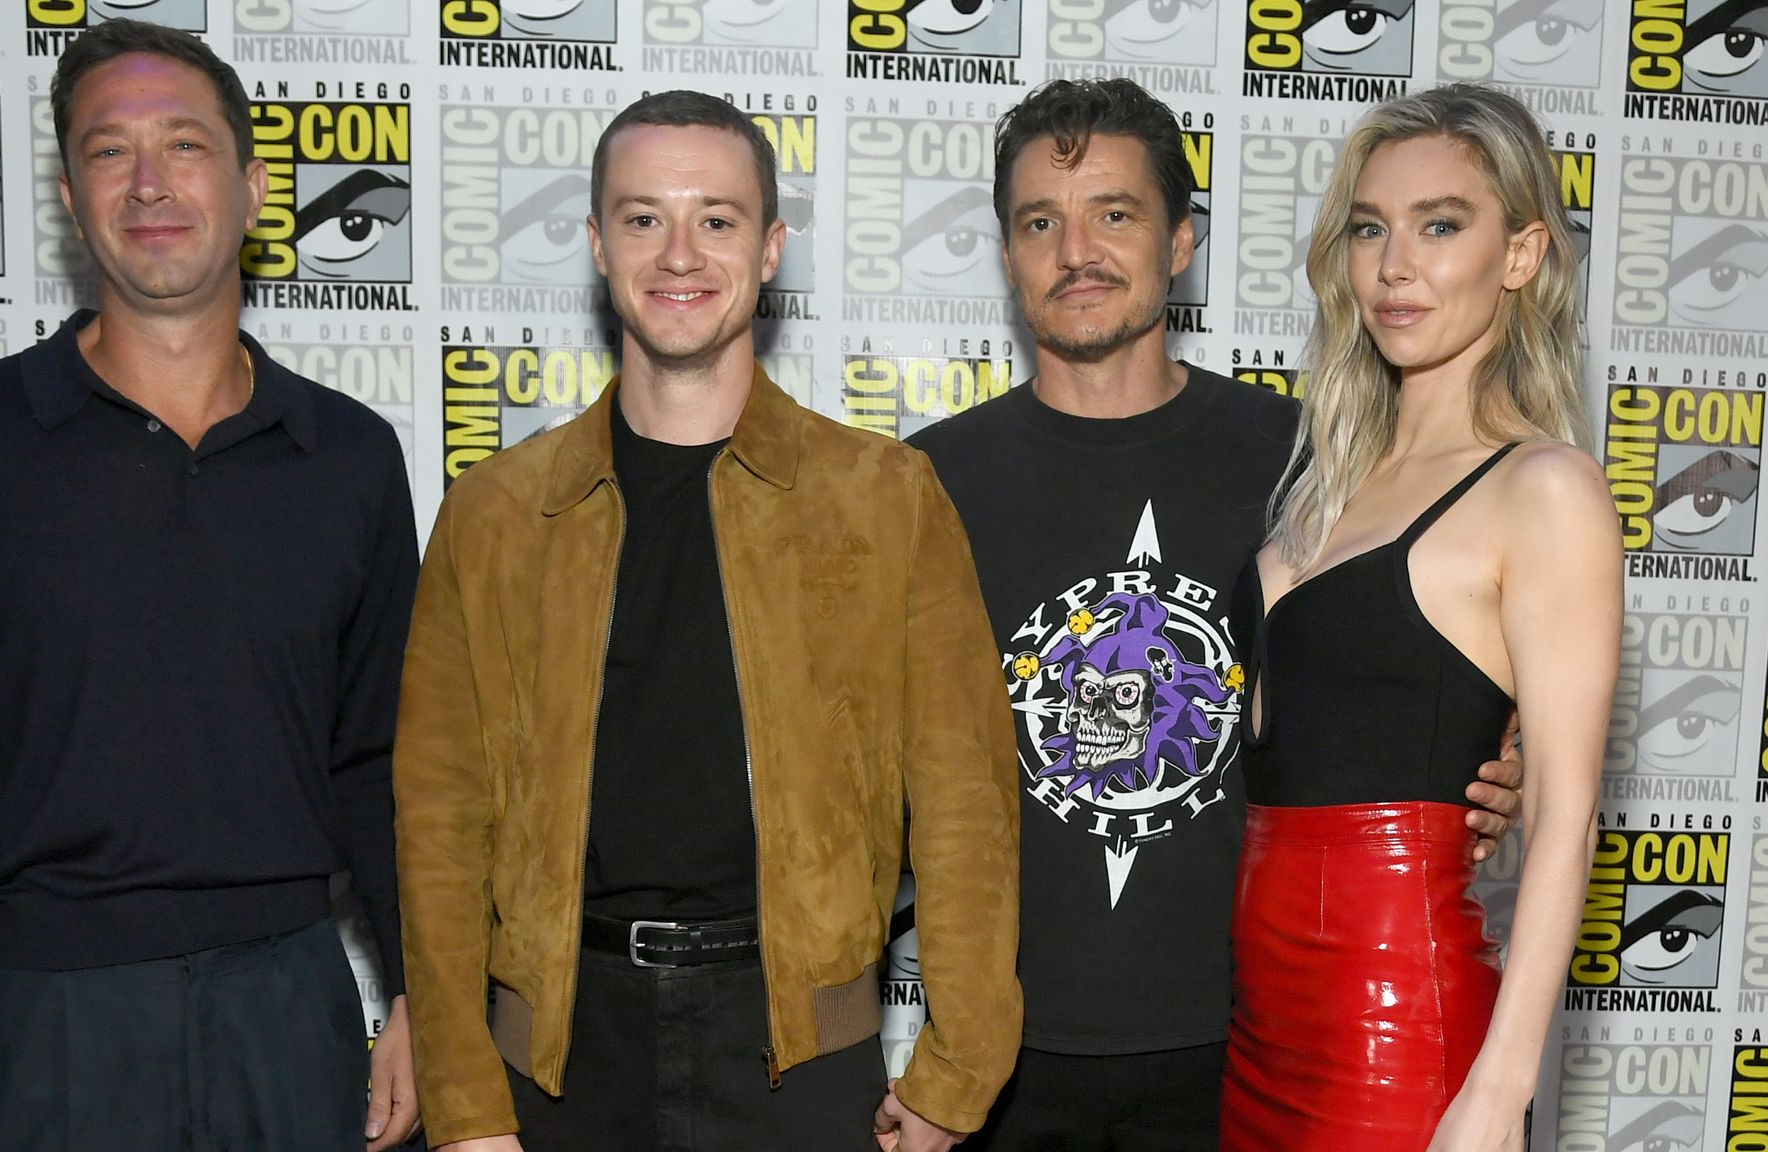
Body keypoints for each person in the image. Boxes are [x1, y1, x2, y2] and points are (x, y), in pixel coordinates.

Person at [392, 90, 1022, 1152]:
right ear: (596, 243)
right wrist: (460, 1102)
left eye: (716, 219)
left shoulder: (885, 496)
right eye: (642, 218)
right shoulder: (496, 513)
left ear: (771, 248)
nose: (677, 252)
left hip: (802, 1065)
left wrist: (955, 1076)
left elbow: (964, 805)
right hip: (555, 1061)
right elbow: (439, 827)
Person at [905, 78, 1525, 1151]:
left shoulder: (1314, 458)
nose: (1075, 250)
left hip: (1254, 1043)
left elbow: (1428, 650)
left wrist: (1480, 757)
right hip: (998, 1058)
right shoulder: (925, 480)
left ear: (1180, 241)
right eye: (1038, 222)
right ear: (1005, 254)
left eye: (1116, 214)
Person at [0, 20, 419, 1152]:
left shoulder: (347, 454)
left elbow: (380, 764)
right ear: (69, 193)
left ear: (253, 190)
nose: (150, 183)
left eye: (185, 146)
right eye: (111, 152)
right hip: (54, 1011)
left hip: (292, 1003)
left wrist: (412, 991)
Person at [1220, 83, 1619, 1150]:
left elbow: (1567, 816)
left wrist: (1496, 1092)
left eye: (1439, 225)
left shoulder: (1542, 488)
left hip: (1394, 1029)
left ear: (1521, 254)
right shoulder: (1320, 479)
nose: (1393, 264)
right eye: (1368, 228)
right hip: (1259, 1027)